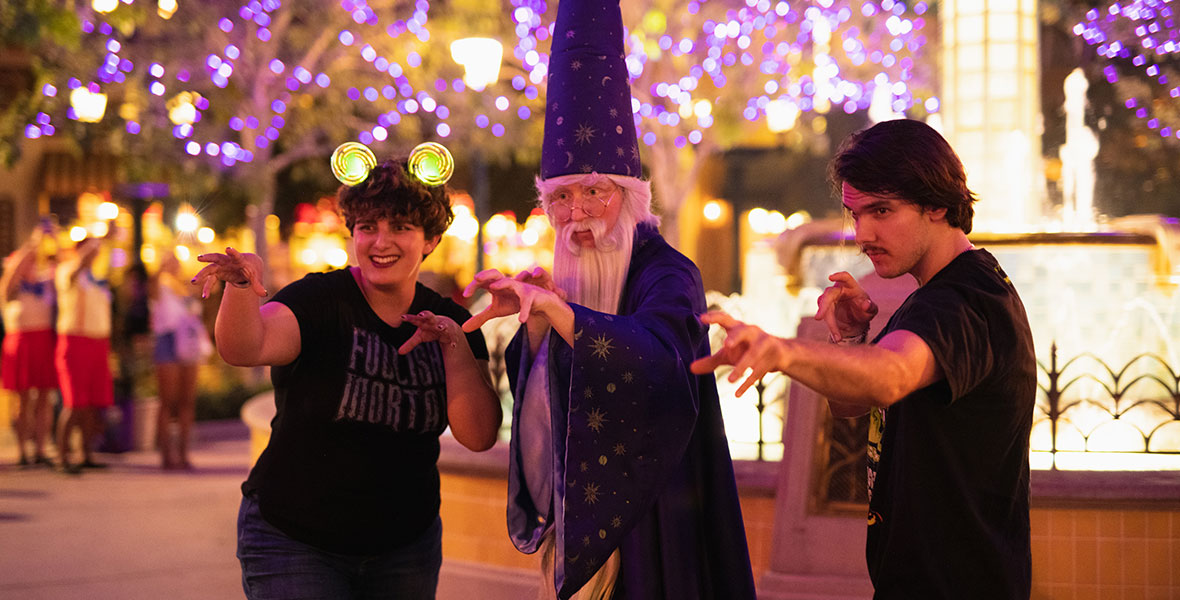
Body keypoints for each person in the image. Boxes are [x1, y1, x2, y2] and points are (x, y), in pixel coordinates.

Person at [461, 1, 756, 597]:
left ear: (628, 197)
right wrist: (537, 324)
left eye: (595, 191)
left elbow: (660, 359)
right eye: (564, 197)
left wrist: (563, 315)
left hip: (659, 510)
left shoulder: (668, 273)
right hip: (579, 512)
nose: (579, 214)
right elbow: (542, 407)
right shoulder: (564, 279)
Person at [691, 119, 1035, 599]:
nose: (863, 234)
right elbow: (856, 404)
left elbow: (891, 377)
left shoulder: (965, 300)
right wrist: (852, 340)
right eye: (856, 214)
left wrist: (781, 350)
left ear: (937, 202)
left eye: (881, 210)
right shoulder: (928, 297)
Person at [193, 152, 502, 600]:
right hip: (295, 540)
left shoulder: (452, 320)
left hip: (404, 548)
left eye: (401, 227)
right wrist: (241, 288)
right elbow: (246, 348)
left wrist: (454, 345)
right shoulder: (320, 300)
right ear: (352, 232)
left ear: (431, 239)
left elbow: (478, 436)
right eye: (368, 227)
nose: (381, 241)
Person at [54, 230, 116, 474]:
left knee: (92, 402)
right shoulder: (67, 271)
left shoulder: (98, 277)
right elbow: (74, 271)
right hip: (74, 340)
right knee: (74, 402)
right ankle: (62, 456)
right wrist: (99, 238)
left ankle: (86, 454)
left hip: (98, 342)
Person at [1, 224, 58, 467]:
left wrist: (54, 243)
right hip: (22, 337)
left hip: (44, 337)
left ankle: (41, 448)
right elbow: (9, 281)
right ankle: (23, 450)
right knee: (23, 400)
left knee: (45, 397)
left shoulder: (49, 273)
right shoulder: (16, 277)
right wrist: (33, 245)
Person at [150, 252, 209, 469]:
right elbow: (152, 289)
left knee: (187, 401)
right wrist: (159, 270)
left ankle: (183, 454)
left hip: (188, 342)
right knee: (167, 401)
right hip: (167, 341)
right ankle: (166, 455)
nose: (174, 263)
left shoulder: (186, 287)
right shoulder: (161, 286)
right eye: (170, 260)